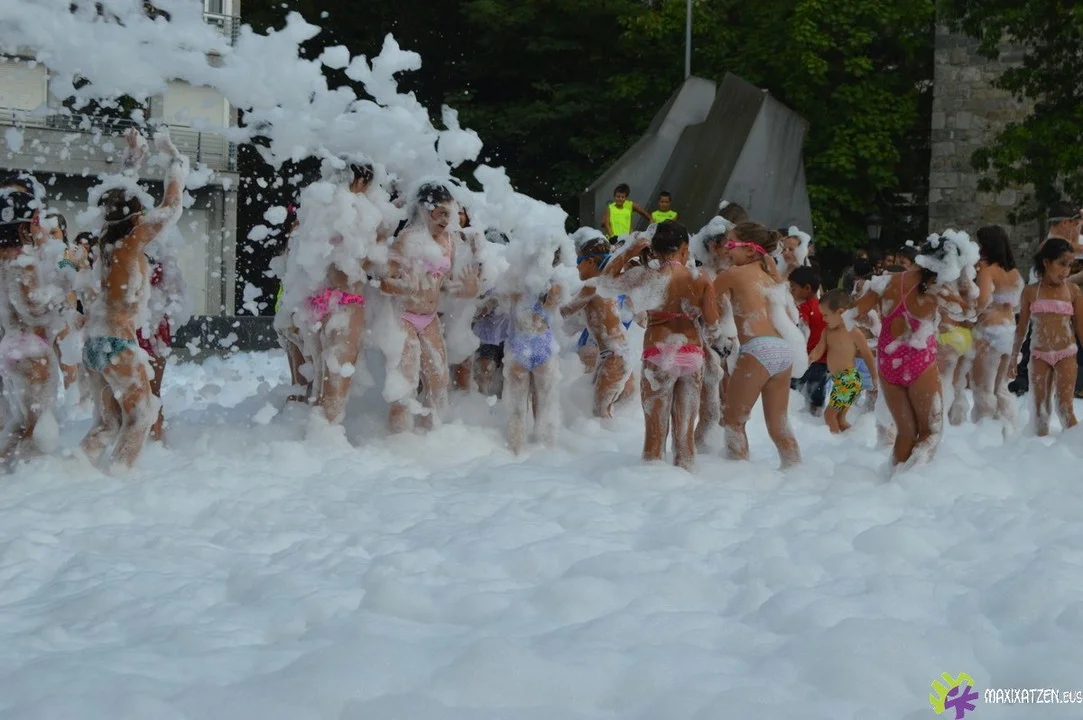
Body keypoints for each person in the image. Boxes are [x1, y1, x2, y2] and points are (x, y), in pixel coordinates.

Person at [81, 129, 189, 472]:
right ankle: (119, 479)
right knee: (142, 416)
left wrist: (134, 158)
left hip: (95, 342)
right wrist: (176, 163)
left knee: (109, 423)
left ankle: (73, 472)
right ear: (136, 217)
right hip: (117, 343)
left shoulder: (106, 239)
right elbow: (171, 208)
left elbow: (118, 198)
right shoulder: (131, 243)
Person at [599, 220, 720, 470]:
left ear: (654, 249)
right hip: (691, 354)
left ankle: (653, 481)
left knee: (655, 435)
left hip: (658, 353)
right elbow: (712, 323)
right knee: (685, 435)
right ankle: (685, 481)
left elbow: (605, 283)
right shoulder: (700, 278)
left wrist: (629, 252)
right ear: (684, 249)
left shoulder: (645, 275)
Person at [848, 237, 968, 472]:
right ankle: (912, 483)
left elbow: (855, 314)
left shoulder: (886, 281)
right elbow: (969, 312)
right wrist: (964, 285)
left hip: (888, 361)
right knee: (930, 431)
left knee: (905, 432)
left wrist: (873, 321)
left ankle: (893, 481)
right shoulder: (938, 289)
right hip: (918, 359)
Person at [379, 182, 479, 433]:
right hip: (404, 317)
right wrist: (404, 287)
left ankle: (431, 437)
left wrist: (467, 289)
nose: (446, 220)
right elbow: (383, 282)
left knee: (439, 381)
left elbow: (444, 285)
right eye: (441, 213)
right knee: (405, 384)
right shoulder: (407, 240)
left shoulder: (448, 242)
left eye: (449, 214)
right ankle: (397, 440)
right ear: (425, 209)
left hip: (429, 317)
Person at [713, 223, 805, 468]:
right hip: (783, 351)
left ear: (750, 250)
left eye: (731, 244)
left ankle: (737, 475)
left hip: (757, 349)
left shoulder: (733, 274)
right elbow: (791, 316)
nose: (726, 249)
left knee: (734, 421)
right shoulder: (771, 278)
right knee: (779, 425)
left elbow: (702, 302)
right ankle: (796, 470)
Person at [0, 190, 61, 465]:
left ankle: (9, 471)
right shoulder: (21, 260)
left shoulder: (3, 258)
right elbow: (33, 307)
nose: (41, 226)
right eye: (36, 221)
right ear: (23, 226)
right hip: (31, 349)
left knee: (23, 422)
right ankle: (29, 475)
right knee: (36, 427)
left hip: (12, 345)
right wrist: (60, 291)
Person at [1008, 238, 1083, 436]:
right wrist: (1013, 357)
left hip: (1066, 352)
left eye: (1070, 265)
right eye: (1062, 264)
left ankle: (1074, 448)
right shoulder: (1031, 291)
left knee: (1065, 408)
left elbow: (1081, 328)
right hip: (1039, 354)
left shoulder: (1073, 291)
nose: (1066, 271)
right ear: (1046, 262)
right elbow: (1021, 328)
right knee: (1040, 411)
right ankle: (1039, 450)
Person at [562, 237, 635, 418]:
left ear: (590, 261)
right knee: (601, 416)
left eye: (578, 261)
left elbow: (565, 312)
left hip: (615, 357)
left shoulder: (592, 286)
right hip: (614, 354)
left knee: (601, 414)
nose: (576, 266)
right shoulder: (605, 285)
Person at [971, 225, 1023, 427]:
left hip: (989, 333)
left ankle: (984, 435)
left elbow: (983, 301)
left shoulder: (987, 270)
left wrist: (969, 313)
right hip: (1009, 332)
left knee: (982, 389)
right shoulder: (1015, 273)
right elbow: (1017, 305)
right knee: (1001, 389)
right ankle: (1008, 430)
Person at [810, 290, 878, 433]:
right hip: (839, 381)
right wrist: (810, 358)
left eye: (826, 315)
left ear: (840, 312)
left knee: (829, 416)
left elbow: (867, 354)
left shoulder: (853, 332)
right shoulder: (827, 332)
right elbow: (819, 349)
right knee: (839, 419)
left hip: (849, 380)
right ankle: (851, 439)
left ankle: (834, 443)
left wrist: (874, 377)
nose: (823, 319)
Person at [789, 265, 828, 417]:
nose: (791, 292)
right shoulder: (824, 307)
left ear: (807, 288)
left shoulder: (805, 307)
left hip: (806, 358)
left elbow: (803, 331)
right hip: (823, 359)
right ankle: (816, 417)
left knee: (792, 389)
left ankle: (793, 416)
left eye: (793, 288)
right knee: (817, 393)